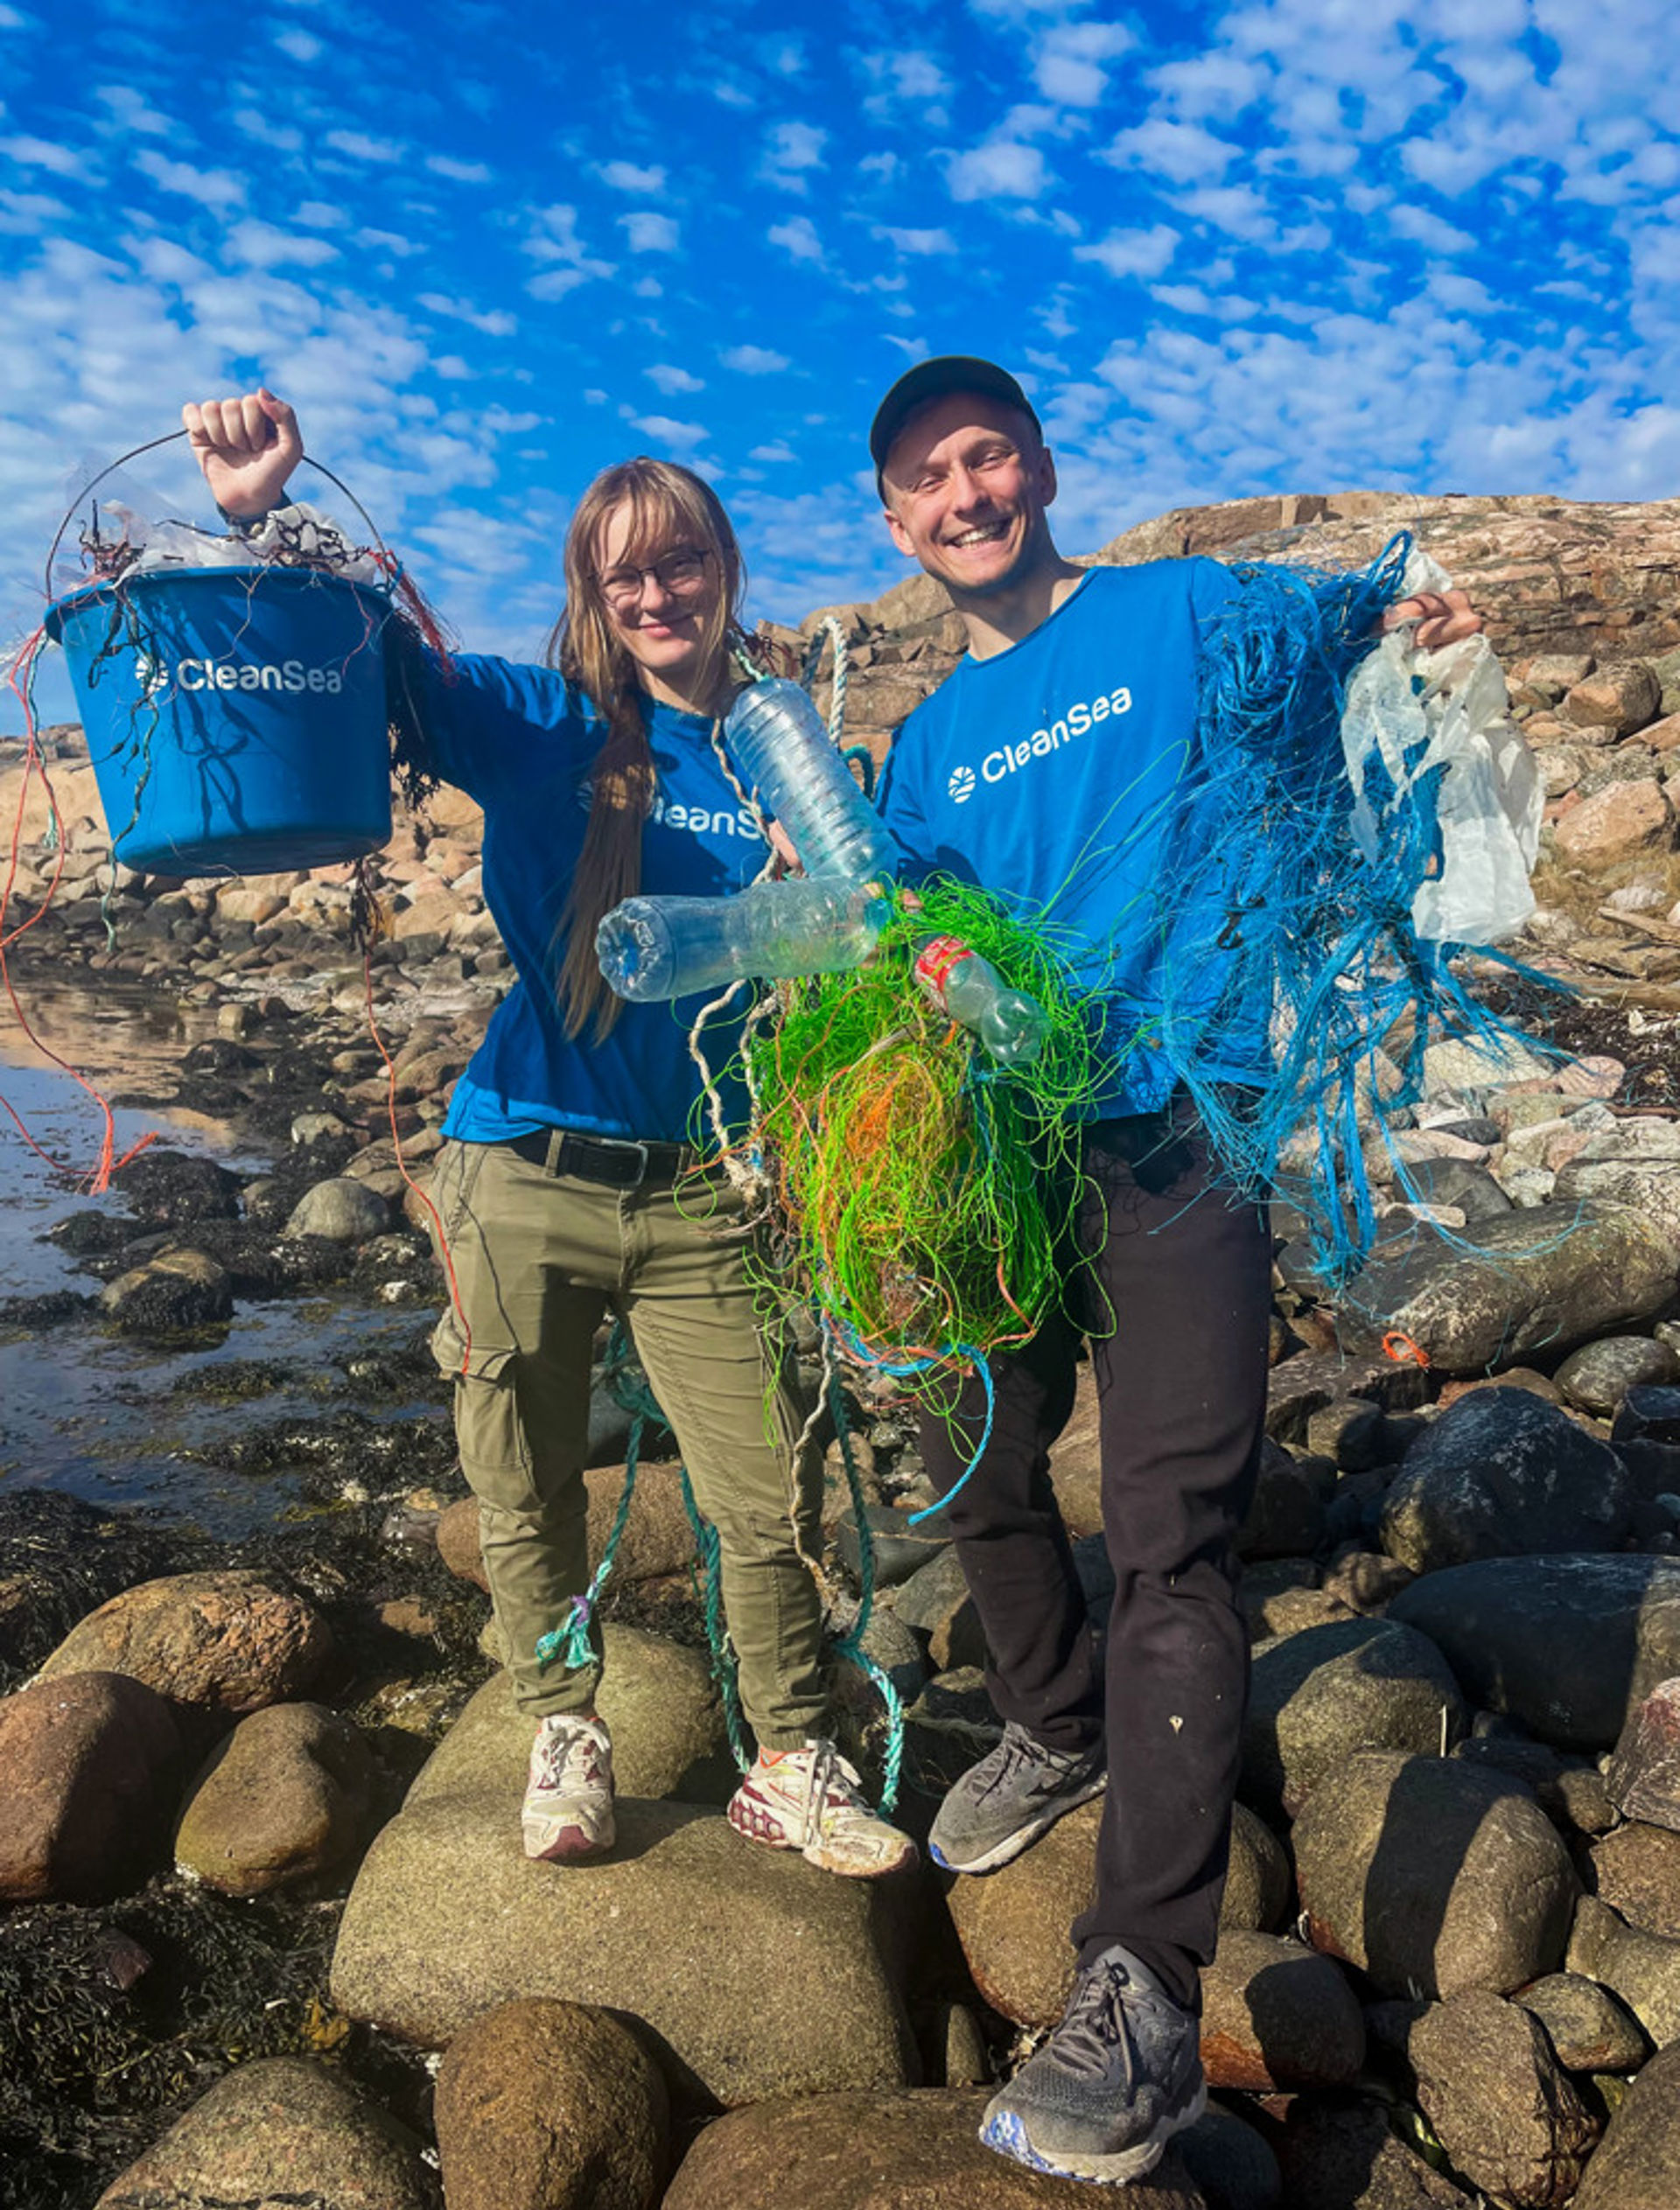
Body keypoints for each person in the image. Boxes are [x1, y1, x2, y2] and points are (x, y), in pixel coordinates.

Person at [867, 357, 1480, 2184]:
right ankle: (1055, 1724)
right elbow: (900, 915)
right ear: (894, 524)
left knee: (1172, 1528)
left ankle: (1139, 1983)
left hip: (1186, 1125)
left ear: (1036, 467)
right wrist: (899, 969)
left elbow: (1360, 623)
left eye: (986, 458)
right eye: (926, 480)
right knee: (975, 1452)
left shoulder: (1185, 613)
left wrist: (1417, 612)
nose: (965, 495)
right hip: (1005, 1149)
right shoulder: (918, 749)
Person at [184, 387, 915, 1881]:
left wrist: (815, 908)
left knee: (762, 1482)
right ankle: (561, 1724)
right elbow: (359, 651)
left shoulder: (782, 757)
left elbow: (872, 933)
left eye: (680, 563)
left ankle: (789, 1754)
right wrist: (256, 513)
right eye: (621, 571)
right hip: (521, 1166)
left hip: (711, 1188)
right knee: (516, 1475)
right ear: (593, 590)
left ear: (724, 570)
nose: (654, 593)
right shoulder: (537, 721)